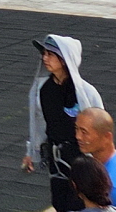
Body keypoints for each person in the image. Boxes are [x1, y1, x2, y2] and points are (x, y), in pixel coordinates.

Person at [24, 34, 106, 211]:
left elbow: (101, 126)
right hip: (57, 159)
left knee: (83, 203)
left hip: (82, 161)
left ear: (64, 59)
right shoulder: (43, 89)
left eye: (50, 54)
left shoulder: (86, 92)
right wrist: (32, 152)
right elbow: (39, 123)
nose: (45, 58)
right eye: (44, 54)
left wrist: (101, 160)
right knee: (60, 202)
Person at [75, 108, 116, 212]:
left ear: (107, 137)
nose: (78, 136)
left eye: (84, 132)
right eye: (76, 129)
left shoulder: (110, 187)